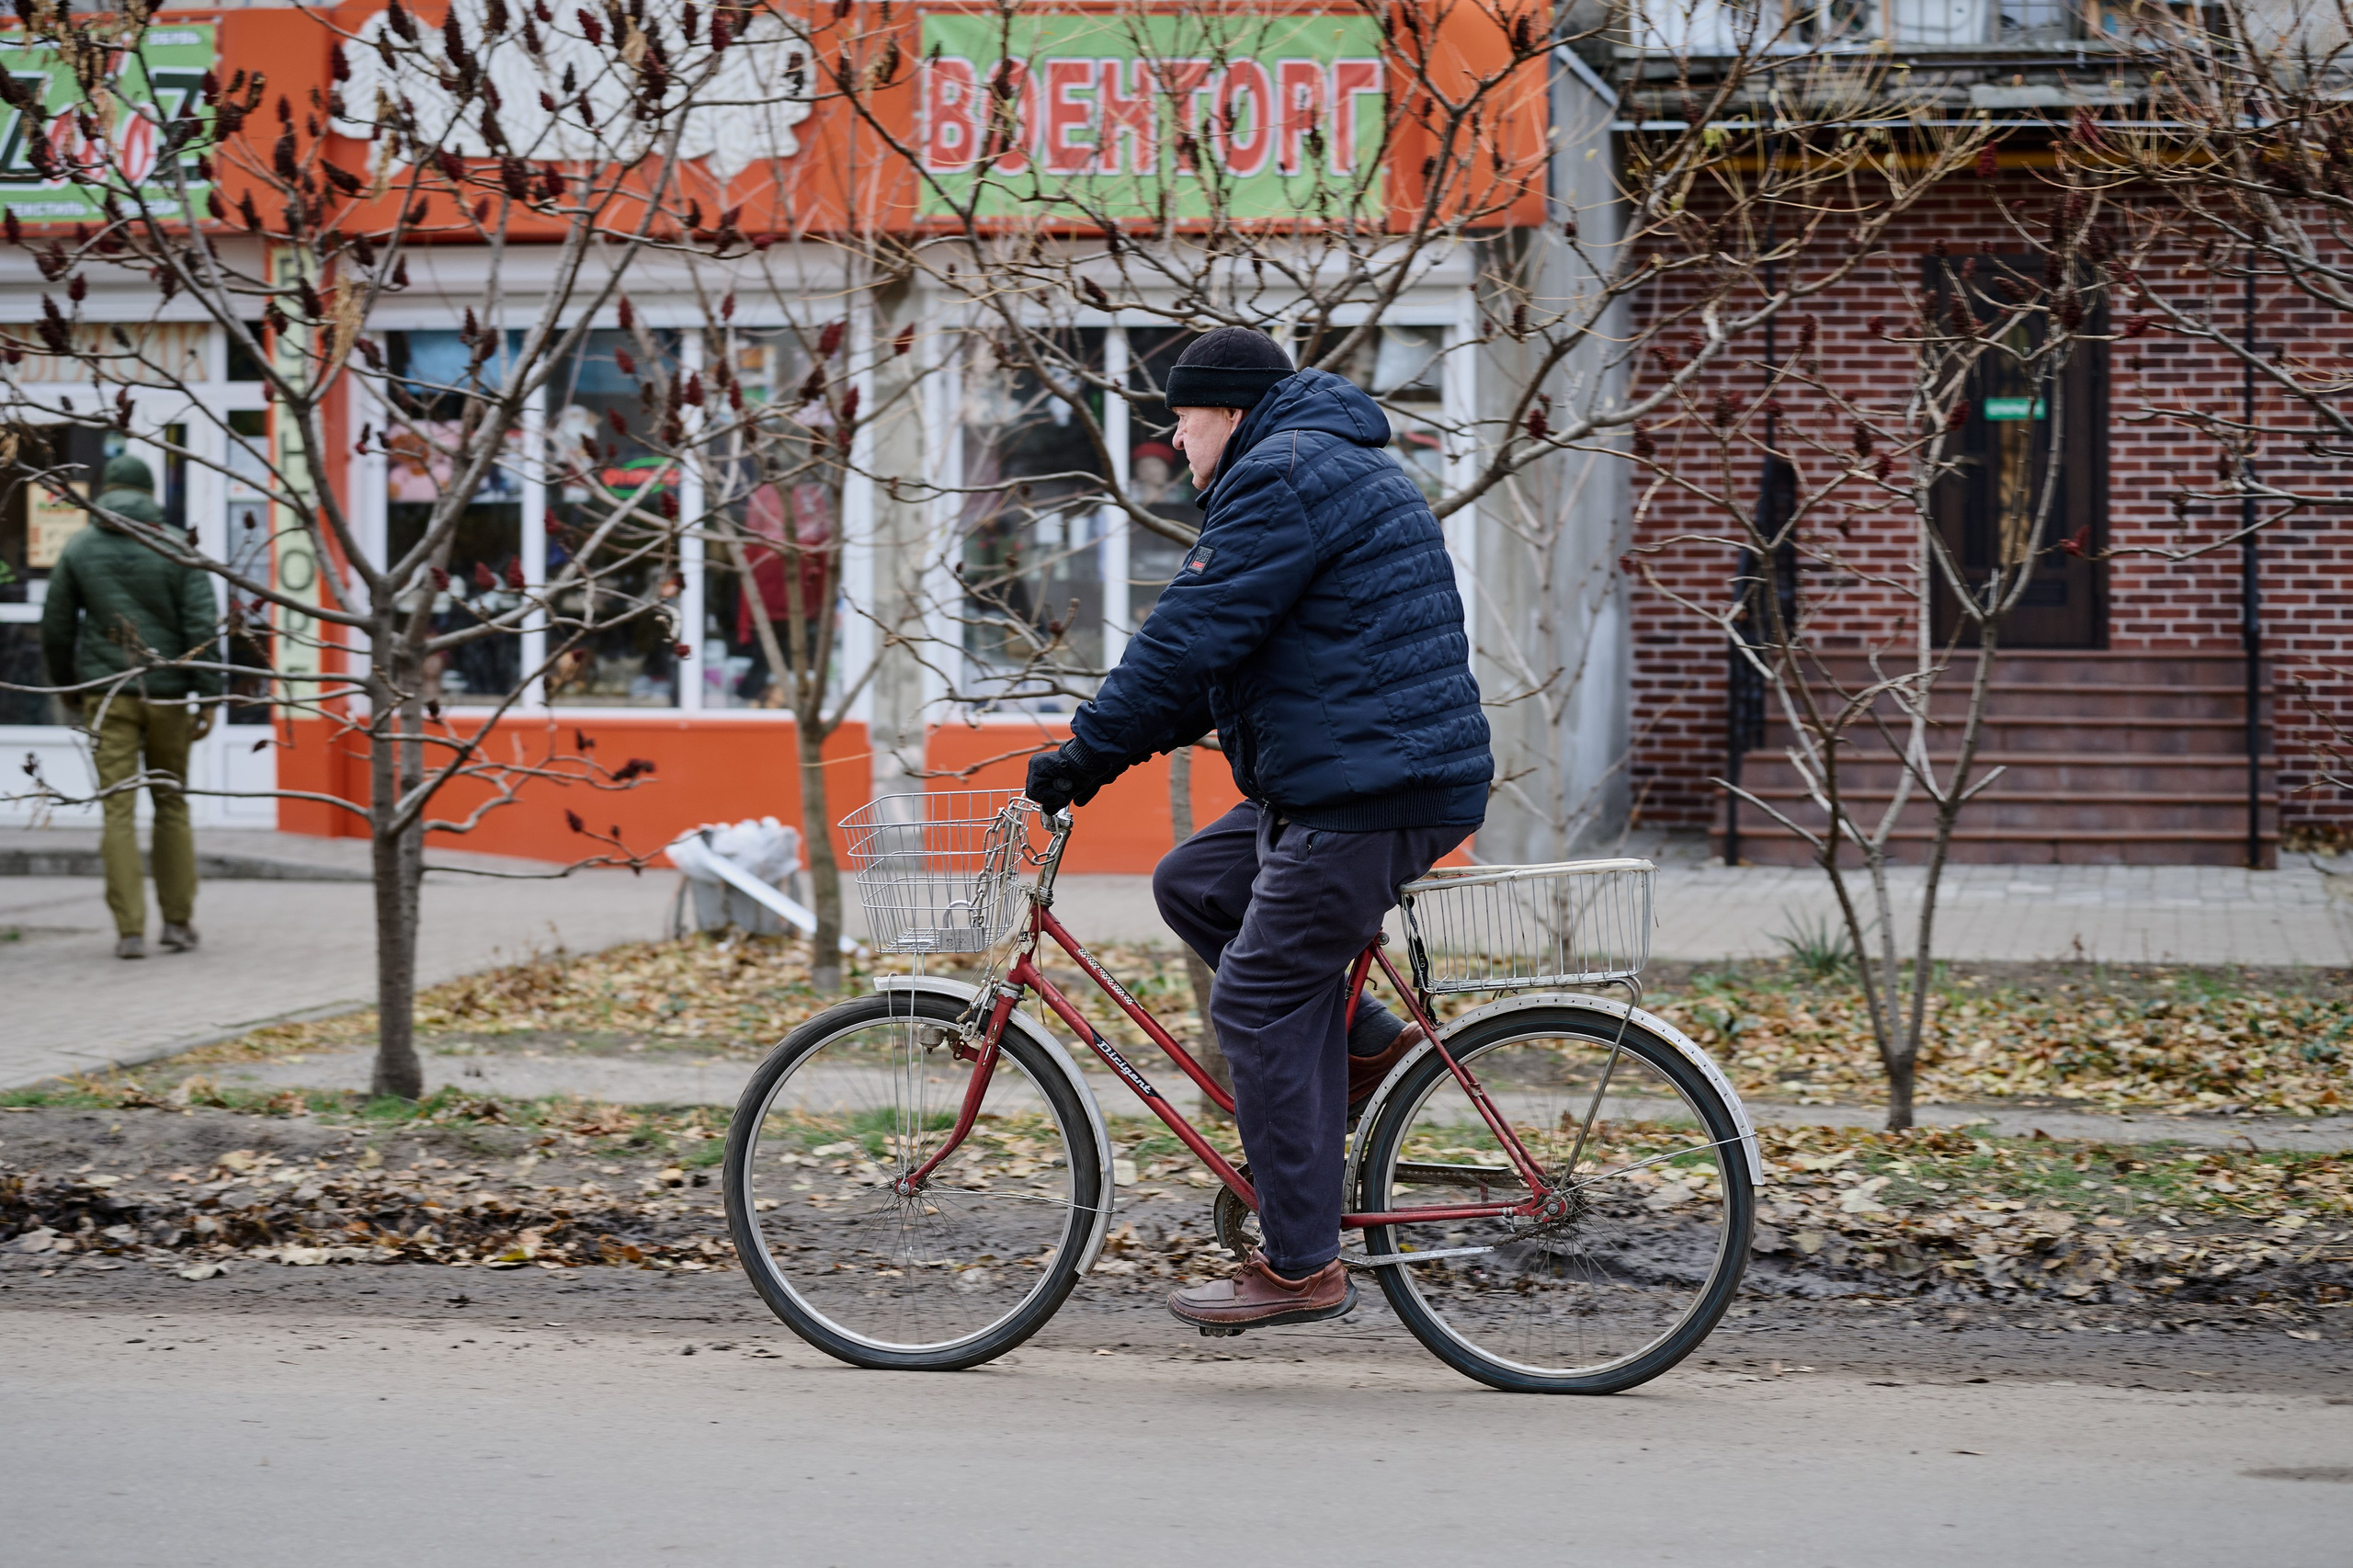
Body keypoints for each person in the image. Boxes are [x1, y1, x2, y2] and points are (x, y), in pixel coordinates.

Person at [1025, 328, 1492, 1333]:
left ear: (1228, 412)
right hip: (1357, 769)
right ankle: (1364, 1050)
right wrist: (1123, 742)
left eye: (1183, 418)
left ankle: (1300, 1264)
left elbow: (1191, 629)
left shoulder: (1278, 473)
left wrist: (1083, 754)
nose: (1175, 438)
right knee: (1197, 881)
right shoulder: (1312, 458)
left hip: (1372, 786)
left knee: (1258, 994)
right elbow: (1233, 652)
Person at [39, 454, 222, 960]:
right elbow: (201, 627)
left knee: (117, 810)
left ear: (106, 491)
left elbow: (56, 626)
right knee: (171, 804)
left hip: (107, 692)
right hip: (167, 697)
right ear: (150, 495)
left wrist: (68, 687)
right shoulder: (178, 547)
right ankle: (179, 924)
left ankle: (130, 932)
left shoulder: (79, 547)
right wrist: (207, 695)